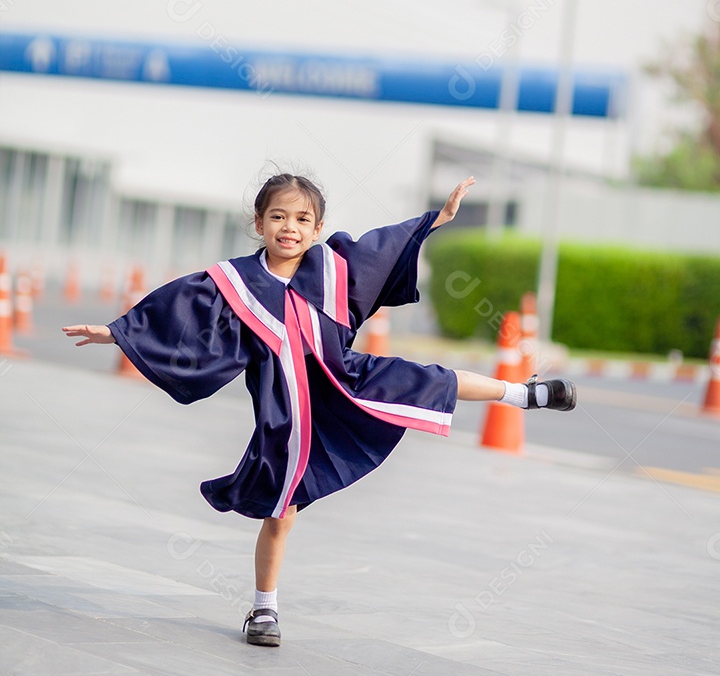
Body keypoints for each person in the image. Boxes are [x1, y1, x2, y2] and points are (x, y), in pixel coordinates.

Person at [63, 171, 576, 648]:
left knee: (428, 380)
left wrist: (435, 220)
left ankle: (523, 394)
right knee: (280, 512)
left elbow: (388, 243)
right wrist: (116, 333)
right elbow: (174, 314)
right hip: (287, 414)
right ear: (258, 223)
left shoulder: (334, 269)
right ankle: (264, 609)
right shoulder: (231, 286)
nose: (290, 228)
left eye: (303, 219)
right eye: (279, 217)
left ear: (319, 228)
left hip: (346, 381)